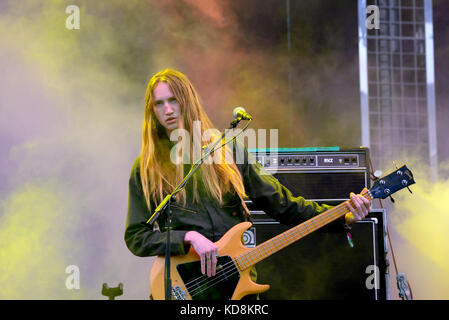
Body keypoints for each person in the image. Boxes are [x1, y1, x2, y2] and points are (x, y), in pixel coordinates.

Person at [124, 68, 371, 297]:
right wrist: (188, 237)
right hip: (183, 287)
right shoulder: (146, 168)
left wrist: (342, 216)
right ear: (152, 111)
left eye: (173, 100)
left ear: (187, 102)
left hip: (236, 285)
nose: (167, 109)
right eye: (159, 103)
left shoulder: (228, 150)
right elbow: (137, 236)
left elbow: (284, 205)